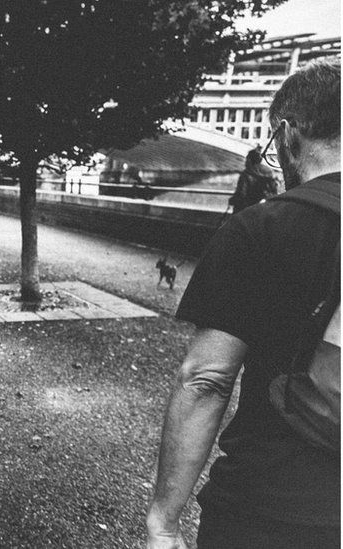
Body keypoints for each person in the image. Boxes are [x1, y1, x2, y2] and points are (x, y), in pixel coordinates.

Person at [146, 60, 340, 549]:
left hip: (267, 510)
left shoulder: (261, 228)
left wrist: (163, 525)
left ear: (286, 133)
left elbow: (206, 381)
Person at [230, 146, 279, 213]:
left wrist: (232, 200)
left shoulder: (247, 174)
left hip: (248, 211)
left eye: (247, 159)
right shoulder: (270, 173)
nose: (245, 162)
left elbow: (241, 194)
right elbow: (274, 192)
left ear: (250, 160)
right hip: (266, 209)